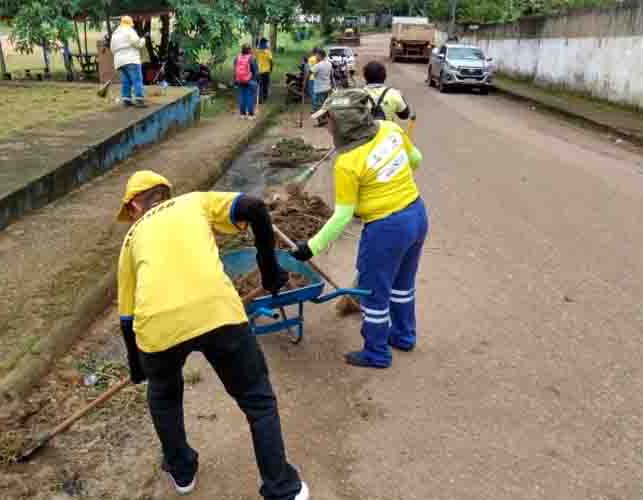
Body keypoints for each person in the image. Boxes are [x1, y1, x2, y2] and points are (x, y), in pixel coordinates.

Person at [117, 170, 310, 500]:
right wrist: (269, 269)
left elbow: (127, 316)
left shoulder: (131, 239)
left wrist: (139, 368)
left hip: (158, 329)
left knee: (163, 397)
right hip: (216, 312)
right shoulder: (194, 201)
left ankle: (182, 472)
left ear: (135, 204)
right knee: (257, 400)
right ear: (165, 192)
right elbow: (254, 207)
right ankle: (283, 488)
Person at [290, 89, 428, 369]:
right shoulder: (390, 128)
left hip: (386, 229)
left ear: (341, 125)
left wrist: (310, 248)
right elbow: (416, 160)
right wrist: (389, 179)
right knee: (402, 285)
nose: (326, 125)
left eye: (328, 120)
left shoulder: (347, 163)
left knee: (373, 292)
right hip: (416, 214)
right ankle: (403, 335)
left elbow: (342, 216)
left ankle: (376, 353)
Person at [110, 15, 147, 107]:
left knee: (126, 81)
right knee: (137, 80)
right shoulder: (129, 31)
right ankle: (139, 99)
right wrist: (143, 39)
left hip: (119, 61)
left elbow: (112, 49)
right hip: (131, 60)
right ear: (129, 24)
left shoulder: (115, 33)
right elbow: (137, 43)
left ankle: (126, 99)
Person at [234, 43, 260, 119]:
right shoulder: (252, 58)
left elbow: (235, 70)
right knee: (250, 97)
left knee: (242, 96)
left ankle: (242, 114)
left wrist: (235, 80)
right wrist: (257, 80)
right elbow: (255, 71)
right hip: (249, 80)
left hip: (239, 80)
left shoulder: (237, 58)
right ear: (249, 50)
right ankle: (251, 115)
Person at [310, 49, 333, 126]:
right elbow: (331, 75)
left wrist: (304, 82)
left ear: (320, 55)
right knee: (325, 104)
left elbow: (309, 72)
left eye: (316, 55)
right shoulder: (329, 64)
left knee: (318, 106)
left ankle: (321, 121)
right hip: (327, 87)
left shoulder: (318, 65)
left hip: (319, 88)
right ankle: (326, 119)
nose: (315, 57)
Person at [254, 38, 274, 104]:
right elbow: (271, 61)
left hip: (258, 71)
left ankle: (259, 99)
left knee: (259, 85)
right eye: (266, 43)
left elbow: (254, 60)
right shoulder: (268, 52)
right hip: (266, 71)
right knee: (265, 85)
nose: (267, 44)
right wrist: (271, 69)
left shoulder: (257, 51)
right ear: (264, 43)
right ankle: (264, 98)